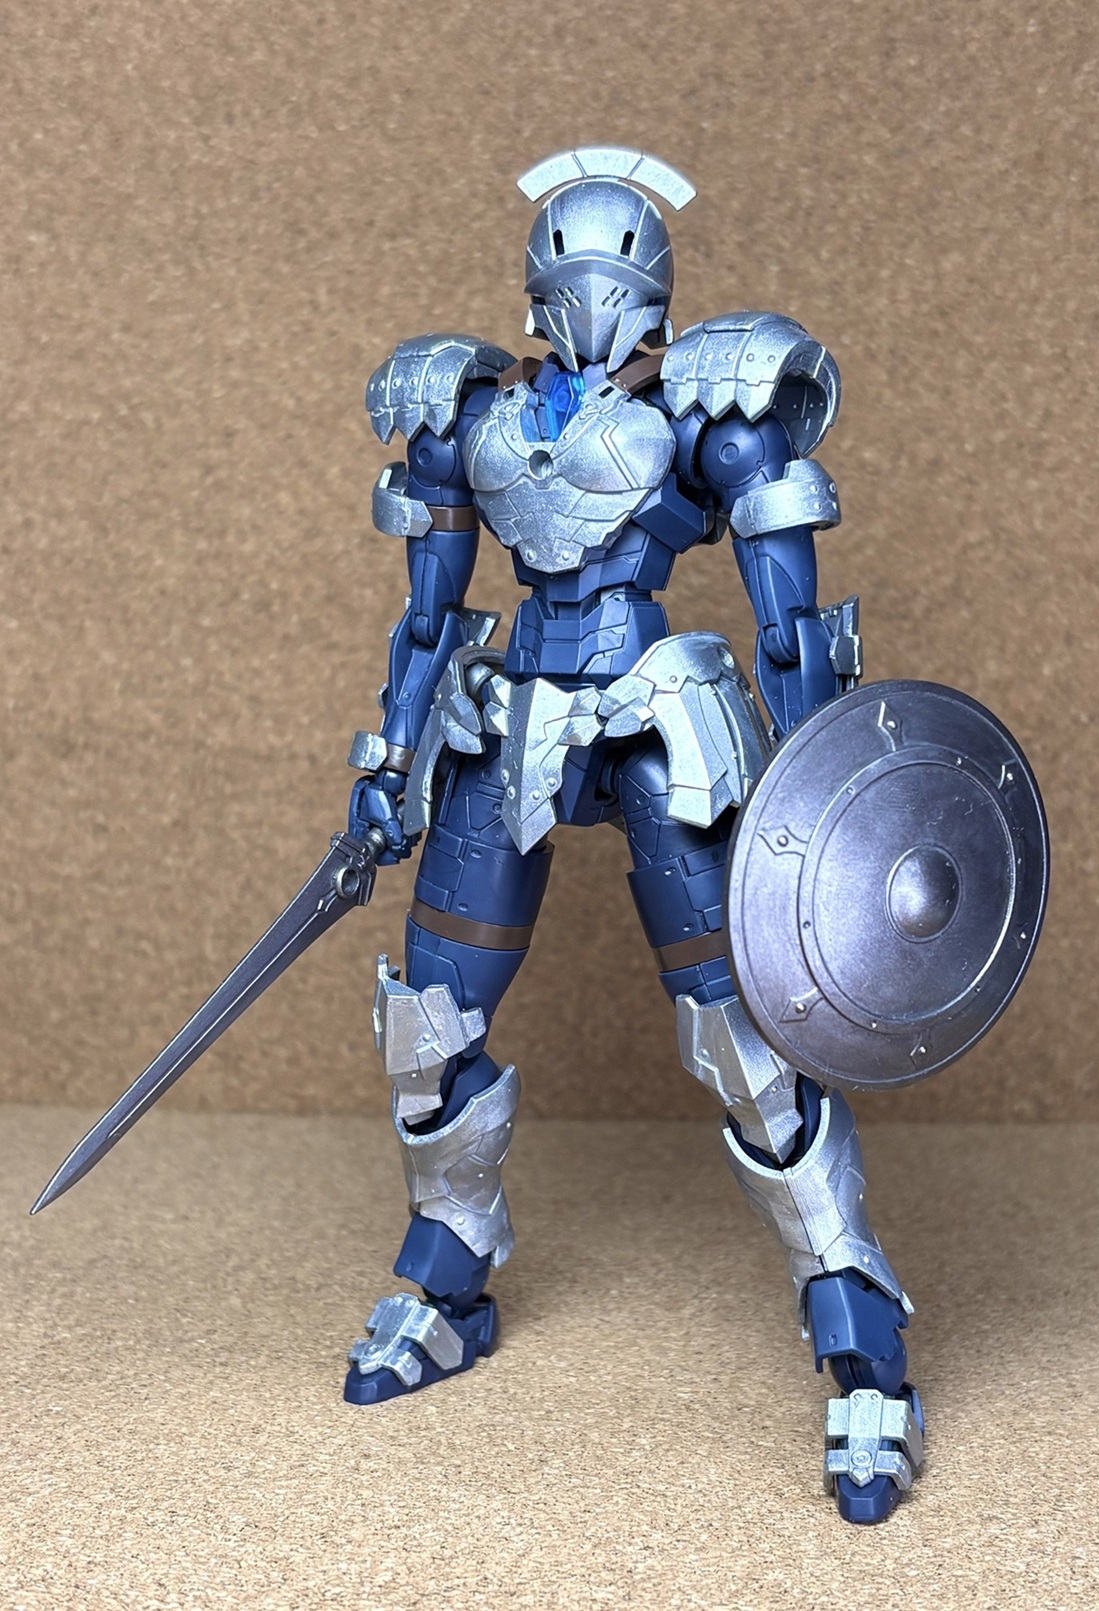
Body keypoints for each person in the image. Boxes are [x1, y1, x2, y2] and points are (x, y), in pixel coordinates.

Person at [343, 146, 921, 1525]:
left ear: (653, 291)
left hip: (660, 718)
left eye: (612, 281)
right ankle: (451, 1265)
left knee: (742, 1034)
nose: (589, 305)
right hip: (511, 712)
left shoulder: (712, 405)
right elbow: (427, 616)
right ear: (532, 291)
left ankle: (857, 1325)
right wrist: (388, 756)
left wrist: (825, 788)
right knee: (427, 1019)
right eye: (567, 280)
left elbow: (792, 622)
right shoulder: (467, 410)